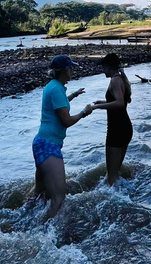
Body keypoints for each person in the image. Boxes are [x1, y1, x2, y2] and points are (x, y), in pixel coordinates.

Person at [32, 54, 94, 219]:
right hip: (48, 146)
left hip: (41, 144)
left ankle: (23, 218)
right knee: (59, 198)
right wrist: (84, 112)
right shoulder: (56, 89)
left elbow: (58, 105)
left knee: (39, 194)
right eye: (71, 68)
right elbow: (66, 120)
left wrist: (73, 95)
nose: (73, 70)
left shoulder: (52, 86)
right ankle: (41, 233)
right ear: (66, 70)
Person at [92, 53, 133, 186]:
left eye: (103, 67)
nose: (102, 70)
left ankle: (118, 201)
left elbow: (120, 104)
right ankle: (125, 191)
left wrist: (98, 106)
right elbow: (120, 101)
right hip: (125, 127)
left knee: (112, 177)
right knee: (116, 171)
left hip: (117, 129)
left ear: (109, 66)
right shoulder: (121, 79)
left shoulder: (115, 80)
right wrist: (103, 101)